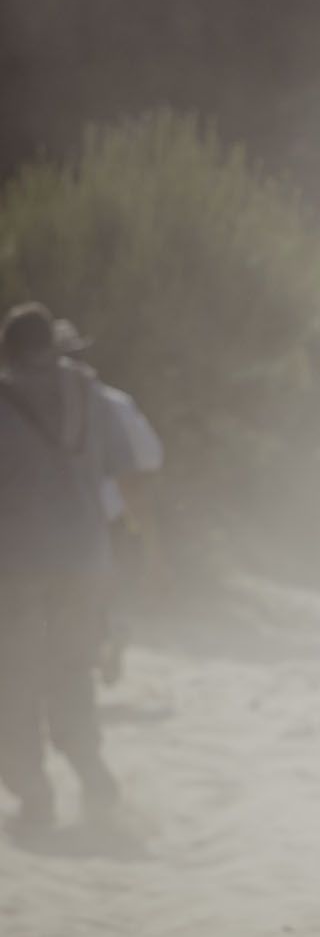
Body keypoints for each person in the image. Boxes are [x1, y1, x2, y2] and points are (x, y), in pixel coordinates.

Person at [0, 302, 134, 841]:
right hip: (85, 557)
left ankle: (34, 797)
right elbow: (126, 468)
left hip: (17, 562)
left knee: (13, 680)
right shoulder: (92, 395)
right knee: (72, 670)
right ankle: (93, 776)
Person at [54, 320, 162, 685]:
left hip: (51, 523)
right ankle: (105, 641)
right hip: (108, 521)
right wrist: (148, 540)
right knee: (100, 593)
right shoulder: (115, 404)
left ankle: (82, 659)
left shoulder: (19, 404)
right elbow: (144, 464)